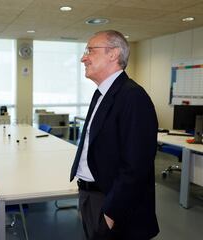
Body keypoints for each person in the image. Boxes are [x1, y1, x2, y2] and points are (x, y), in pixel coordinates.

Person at [70, 30, 160, 240]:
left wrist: (110, 213)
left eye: (90, 50)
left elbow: (137, 166)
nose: (83, 58)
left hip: (113, 204)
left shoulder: (133, 97)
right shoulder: (101, 93)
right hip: (91, 195)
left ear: (113, 54)